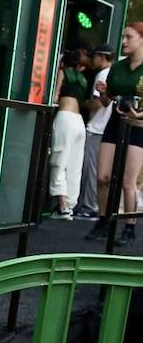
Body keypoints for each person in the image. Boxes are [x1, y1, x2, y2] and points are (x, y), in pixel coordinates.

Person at [87, 22, 143, 244]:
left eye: (129, 37)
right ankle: (104, 220)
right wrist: (103, 93)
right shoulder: (118, 67)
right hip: (115, 122)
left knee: (129, 181)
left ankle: (129, 228)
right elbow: (106, 100)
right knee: (103, 177)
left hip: (139, 127)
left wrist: (139, 114)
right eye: (124, 37)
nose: (124, 42)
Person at [49, 49, 89, 219]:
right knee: (75, 164)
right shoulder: (82, 79)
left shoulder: (62, 72)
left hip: (65, 118)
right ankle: (70, 204)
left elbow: (55, 96)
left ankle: (62, 204)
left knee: (59, 160)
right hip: (79, 121)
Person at [75, 47, 114, 218]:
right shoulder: (113, 74)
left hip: (97, 128)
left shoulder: (102, 74)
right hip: (106, 129)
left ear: (102, 57)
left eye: (94, 56)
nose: (92, 60)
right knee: (99, 171)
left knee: (91, 170)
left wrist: (81, 104)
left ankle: (89, 207)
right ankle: (93, 206)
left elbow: (98, 104)